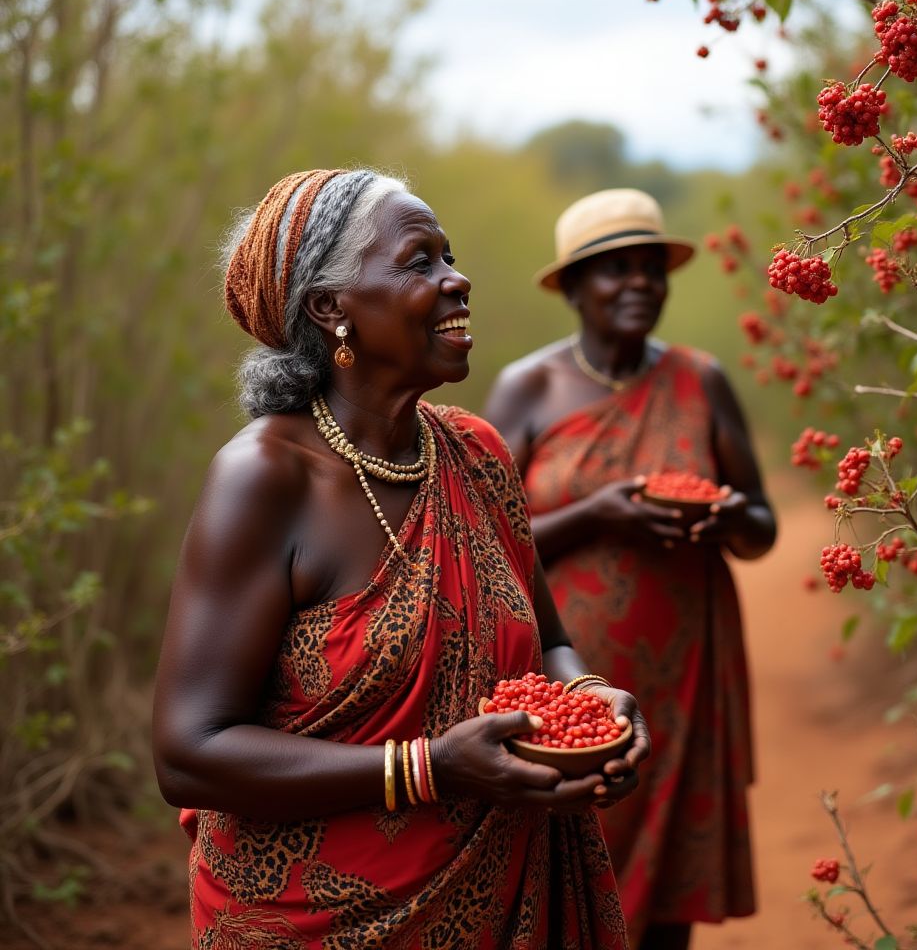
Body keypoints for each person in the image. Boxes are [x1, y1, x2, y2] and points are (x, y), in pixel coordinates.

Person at [151, 168, 652, 950]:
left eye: (448, 257)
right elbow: (190, 750)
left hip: (499, 899)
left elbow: (550, 641)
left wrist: (592, 701)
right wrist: (430, 769)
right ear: (330, 308)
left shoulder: (476, 455)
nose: (458, 281)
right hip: (311, 920)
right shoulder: (265, 479)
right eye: (420, 261)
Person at [483, 188, 777, 950]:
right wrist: (597, 513)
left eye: (651, 268)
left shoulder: (700, 378)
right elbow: (481, 544)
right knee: (569, 867)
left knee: (669, 870)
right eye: (615, 270)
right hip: (567, 678)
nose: (639, 283)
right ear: (574, 287)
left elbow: (761, 527)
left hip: (683, 675)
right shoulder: (530, 387)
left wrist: (724, 515)